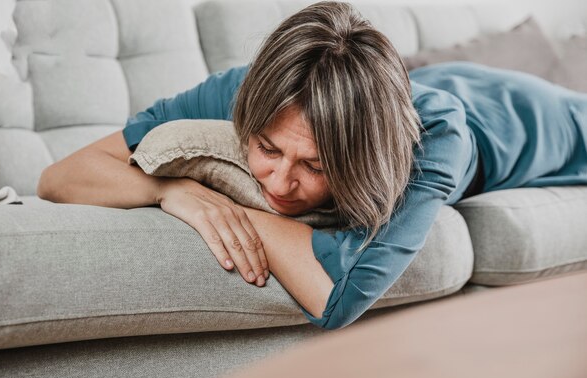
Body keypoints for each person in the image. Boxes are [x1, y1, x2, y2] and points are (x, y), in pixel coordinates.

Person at [37, 1, 587, 330]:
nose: (277, 182)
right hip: (425, 79)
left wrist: (239, 212)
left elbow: (338, 299)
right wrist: (173, 190)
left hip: (546, 117)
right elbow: (60, 176)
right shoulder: (248, 90)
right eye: (267, 150)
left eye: (316, 166)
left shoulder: (432, 138)